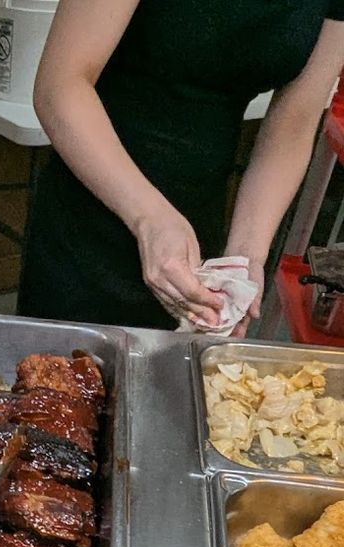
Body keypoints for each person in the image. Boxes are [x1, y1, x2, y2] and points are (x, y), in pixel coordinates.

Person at [17, 0, 344, 334]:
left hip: (197, 230)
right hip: (89, 217)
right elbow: (61, 87)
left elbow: (293, 122)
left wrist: (245, 259)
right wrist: (150, 217)